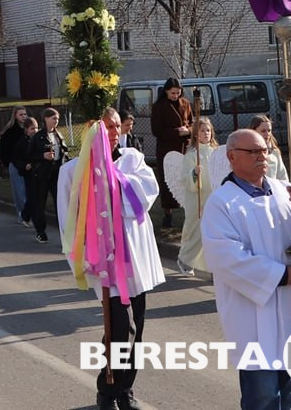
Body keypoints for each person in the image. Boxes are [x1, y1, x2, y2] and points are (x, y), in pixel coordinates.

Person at [201, 128, 291, 410]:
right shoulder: (222, 202)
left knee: (288, 393)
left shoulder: (282, 190)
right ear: (232, 157)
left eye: (264, 150)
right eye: (252, 151)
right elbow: (225, 258)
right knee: (262, 397)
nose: (261, 156)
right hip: (253, 312)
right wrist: (285, 275)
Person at [57, 108, 164, 410]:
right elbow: (68, 221)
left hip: (136, 260)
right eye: (108, 126)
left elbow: (145, 196)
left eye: (118, 126)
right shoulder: (73, 171)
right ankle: (107, 390)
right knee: (120, 327)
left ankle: (126, 388)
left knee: (136, 328)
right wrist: (79, 262)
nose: (115, 132)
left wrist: (112, 179)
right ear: (93, 129)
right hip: (104, 265)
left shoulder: (132, 160)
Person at [175, 117, 218, 276]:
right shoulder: (192, 154)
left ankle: (212, 264)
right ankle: (185, 259)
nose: (206, 133)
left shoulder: (216, 151)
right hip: (198, 198)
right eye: (202, 130)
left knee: (212, 231)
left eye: (208, 130)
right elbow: (184, 179)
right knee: (197, 231)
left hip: (213, 196)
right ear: (195, 134)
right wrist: (194, 173)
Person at [151, 77, 193, 228]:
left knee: (186, 179)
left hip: (184, 147)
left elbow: (192, 123)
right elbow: (156, 131)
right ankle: (168, 214)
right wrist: (176, 132)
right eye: (173, 93)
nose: (175, 96)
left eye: (178, 93)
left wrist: (188, 131)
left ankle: (188, 209)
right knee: (167, 180)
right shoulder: (159, 106)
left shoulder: (186, 104)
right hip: (166, 148)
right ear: (166, 91)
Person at [26, 108, 68, 242]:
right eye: (53, 118)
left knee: (60, 203)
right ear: (46, 119)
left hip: (56, 174)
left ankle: (64, 233)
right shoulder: (38, 137)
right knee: (40, 203)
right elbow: (29, 155)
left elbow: (64, 152)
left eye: (57, 119)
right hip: (42, 175)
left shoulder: (58, 135)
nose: (56, 121)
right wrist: (42, 156)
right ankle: (40, 231)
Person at [0, 106, 29, 224]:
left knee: (28, 190)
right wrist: (8, 163)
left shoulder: (28, 129)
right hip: (15, 165)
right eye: (21, 114)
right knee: (19, 191)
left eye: (25, 114)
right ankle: (22, 213)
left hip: (27, 164)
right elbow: (3, 150)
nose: (23, 117)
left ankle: (28, 212)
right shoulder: (9, 132)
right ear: (15, 115)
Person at [13, 116, 38, 228]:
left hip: (39, 172)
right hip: (29, 173)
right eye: (32, 128)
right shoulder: (22, 143)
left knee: (38, 197)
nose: (35, 131)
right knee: (32, 197)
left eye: (36, 128)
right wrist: (24, 166)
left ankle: (34, 217)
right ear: (26, 129)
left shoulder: (40, 139)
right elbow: (16, 159)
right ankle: (25, 215)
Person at [247, 114, 289, 181]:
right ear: (254, 131)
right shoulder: (246, 153)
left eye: (269, 130)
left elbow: (283, 177)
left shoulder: (275, 152)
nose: (267, 134)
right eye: (263, 131)